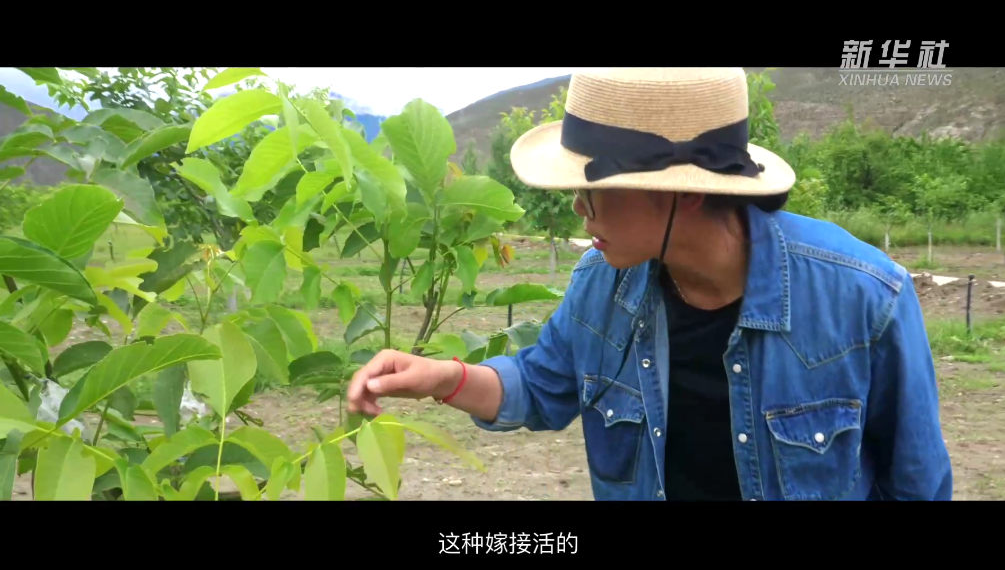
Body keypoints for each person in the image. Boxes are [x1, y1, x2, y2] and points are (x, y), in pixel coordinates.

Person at [346, 67, 953, 501]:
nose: (578, 209)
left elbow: (917, 483)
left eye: (594, 189)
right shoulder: (601, 286)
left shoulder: (863, 296)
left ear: (685, 192)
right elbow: (540, 384)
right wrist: (441, 379)